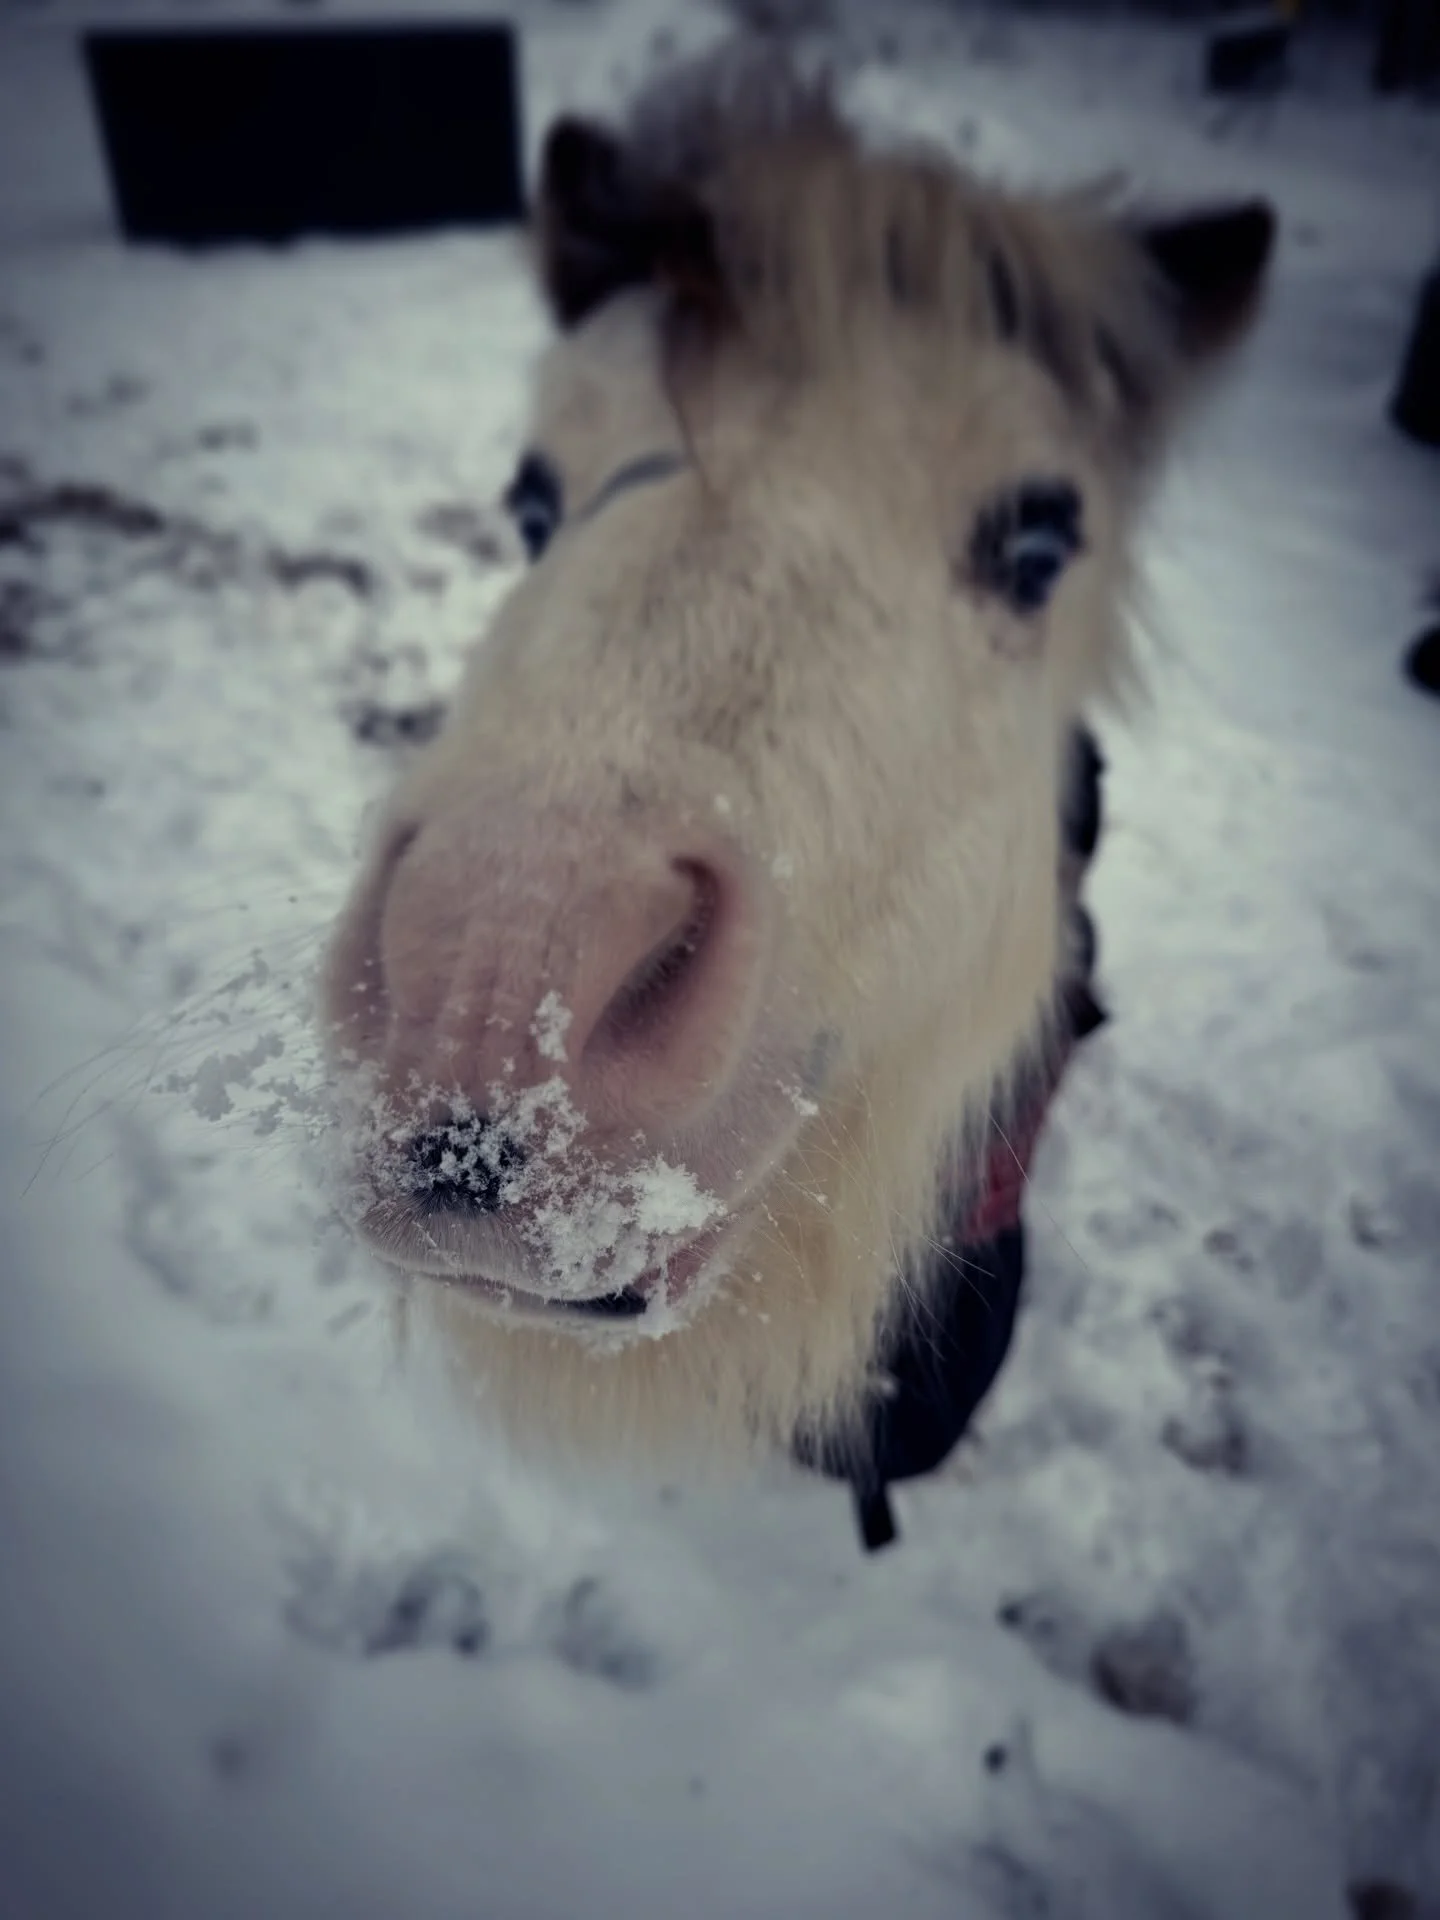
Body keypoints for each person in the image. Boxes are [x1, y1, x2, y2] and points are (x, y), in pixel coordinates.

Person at [797, 728, 1108, 1550]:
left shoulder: (984, 1007)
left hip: (924, 1273)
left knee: (880, 1405)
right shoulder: (940, 961)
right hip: (909, 1254)